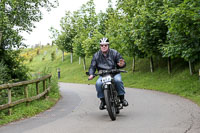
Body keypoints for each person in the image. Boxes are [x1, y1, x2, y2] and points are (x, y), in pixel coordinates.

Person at [88, 37, 128, 110]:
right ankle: (103, 101)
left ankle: (122, 98)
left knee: (118, 80)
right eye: (102, 45)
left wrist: (121, 64)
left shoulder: (114, 52)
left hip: (114, 73)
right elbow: (92, 66)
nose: (103, 47)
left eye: (105, 45)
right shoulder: (96, 55)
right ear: (100, 46)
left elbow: (121, 62)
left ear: (108, 45)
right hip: (103, 75)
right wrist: (91, 74)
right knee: (98, 84)